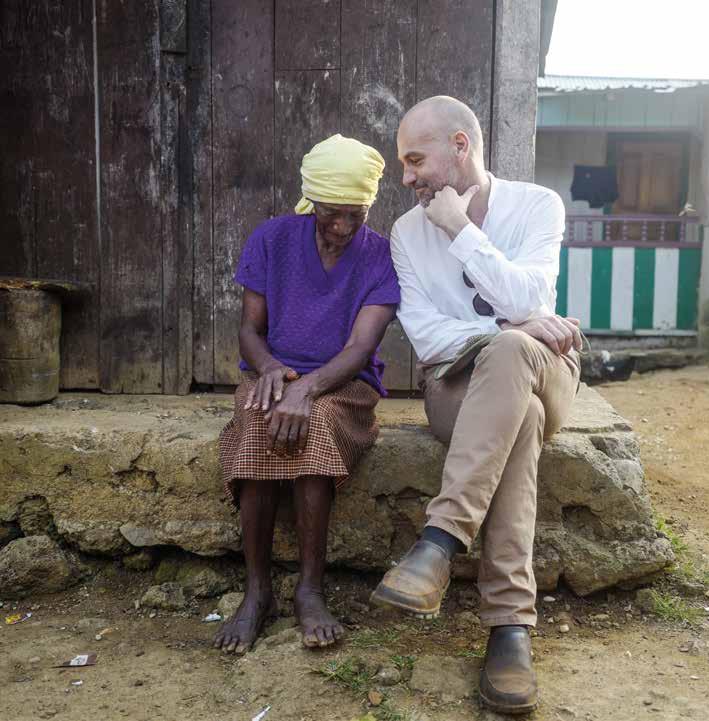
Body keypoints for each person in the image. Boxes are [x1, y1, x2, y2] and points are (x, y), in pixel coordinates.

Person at [370, 97, 582, 714]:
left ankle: (438, 542)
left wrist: (460, 231)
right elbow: (428, 336)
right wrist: (508, 329)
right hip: (455, 385)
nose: (406, 177)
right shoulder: (405, 233)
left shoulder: (538, 205)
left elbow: (528, 294)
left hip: (545, 368)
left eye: (415, 160)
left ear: (460, 146)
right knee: (521, 410)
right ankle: (509, 628)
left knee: (516, 355)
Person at [214, 134, 400, 654]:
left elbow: (360, 348)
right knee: (258, 419)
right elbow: (249, 330)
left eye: (354, 215)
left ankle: (309, 589)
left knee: (313, 425)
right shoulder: (271, 239)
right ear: (311, 201)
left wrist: (309, 390)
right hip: (272, 374)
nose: (341, 227)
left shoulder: (381, 256)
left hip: (345, 384)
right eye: (330, 213)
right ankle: (257, 592)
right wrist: (272, 369)